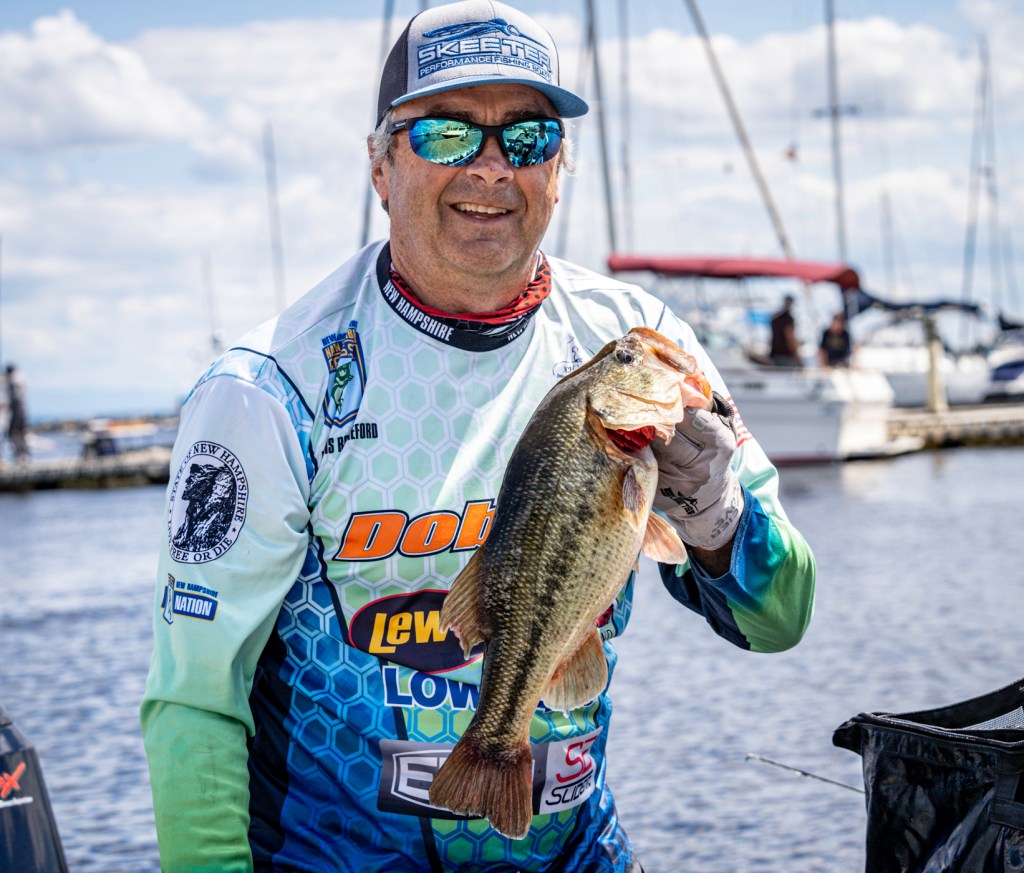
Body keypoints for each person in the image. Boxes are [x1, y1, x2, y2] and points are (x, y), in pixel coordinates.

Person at [140, 2, 816, 870]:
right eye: (449, 133)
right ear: (381, 166)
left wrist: (717, 518)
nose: (492, 166)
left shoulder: (643, 342)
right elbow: (196, 700)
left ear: (559, 170)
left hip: (579, 852)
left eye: (528, 137)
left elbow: (780, 622)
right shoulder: (269, 389)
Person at [769, 293, 802, 367]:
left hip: (775, 354)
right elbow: (789, 337)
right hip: (785, 355)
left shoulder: (775, 318)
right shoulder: (787, 319)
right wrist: (796, 354)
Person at [5, 364, 30, 462]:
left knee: (13, 432)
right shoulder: (21, 378)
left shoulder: (13, 381)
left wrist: (7, 406)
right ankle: (24, 455)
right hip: (23, 409)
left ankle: (21, 455)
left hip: (17, 410)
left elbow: (15, 398)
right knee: (21, 432)